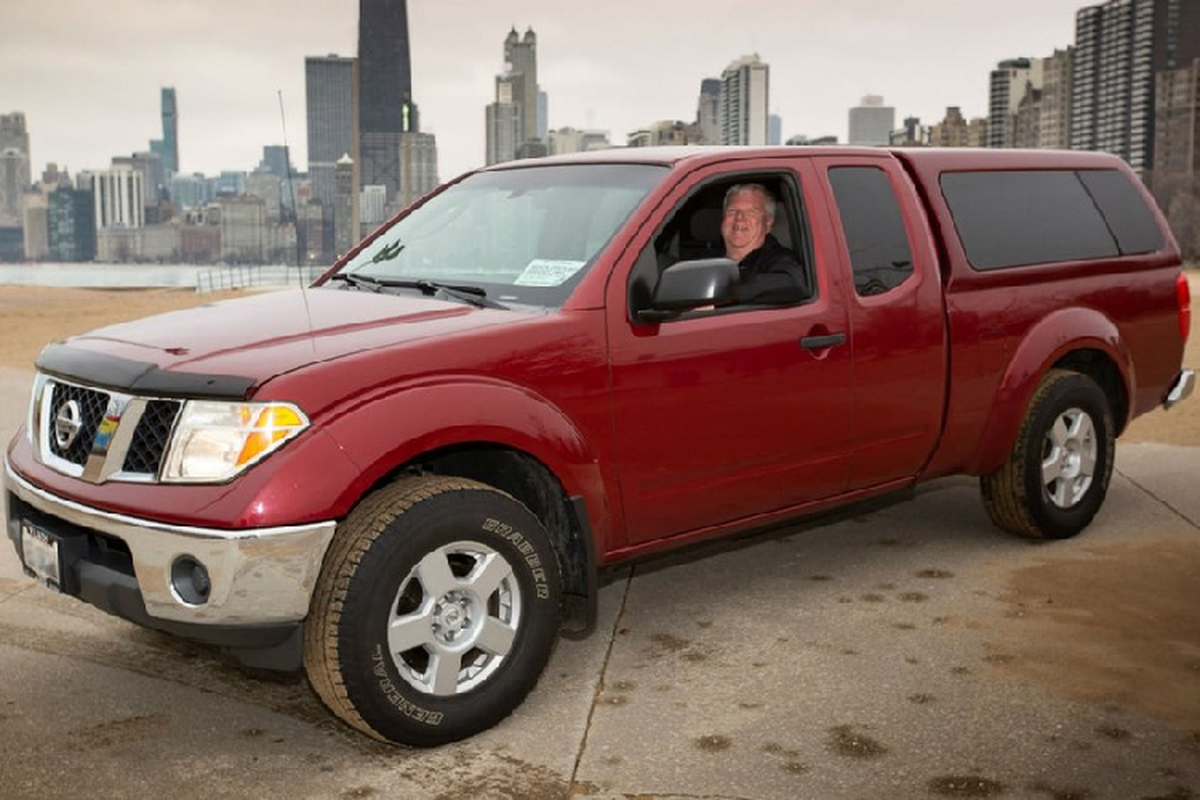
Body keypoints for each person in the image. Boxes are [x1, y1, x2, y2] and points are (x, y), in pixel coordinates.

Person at [720, 183, 810, 304]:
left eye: (752, 212)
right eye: (732, 211)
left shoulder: (780, 259)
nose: (740, 218)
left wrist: (721, 296)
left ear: (768, 223)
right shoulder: (704, 259)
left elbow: (793, 284)